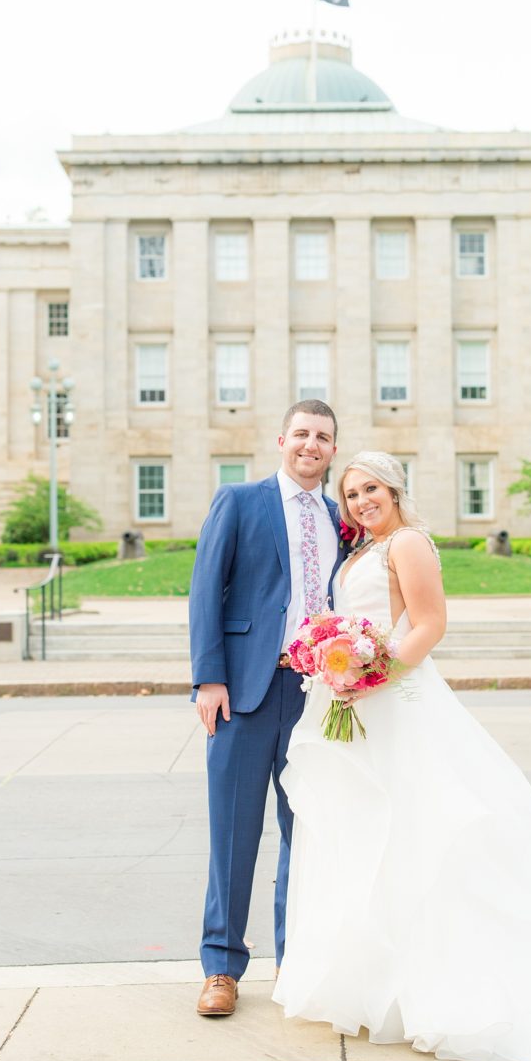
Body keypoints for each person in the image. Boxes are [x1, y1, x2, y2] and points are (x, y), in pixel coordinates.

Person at [273, 450, 531, 1061]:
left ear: (395, 490)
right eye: (352, 493)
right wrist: (333, 662)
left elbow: (431, 623)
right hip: (355, 703)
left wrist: (372, 674)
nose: (361, 501)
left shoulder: (407, 543)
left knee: (421, 835)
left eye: (372, 489)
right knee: (366, 836)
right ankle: (378, 986)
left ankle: (442, 986)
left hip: (396, 698)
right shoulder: (360, 550)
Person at [189, 399, 345, 1017]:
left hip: (316, 697)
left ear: (334, 449)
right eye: (302, 433)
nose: (311, 444)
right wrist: (209, 679)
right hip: (244, 694)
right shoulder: (240, 501)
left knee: (303, 836)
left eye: (323, 437)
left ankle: (294, 963)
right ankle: (221, 967)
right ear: (281, 440)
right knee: (233, 833)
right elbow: (206, 589)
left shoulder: (340, 518)